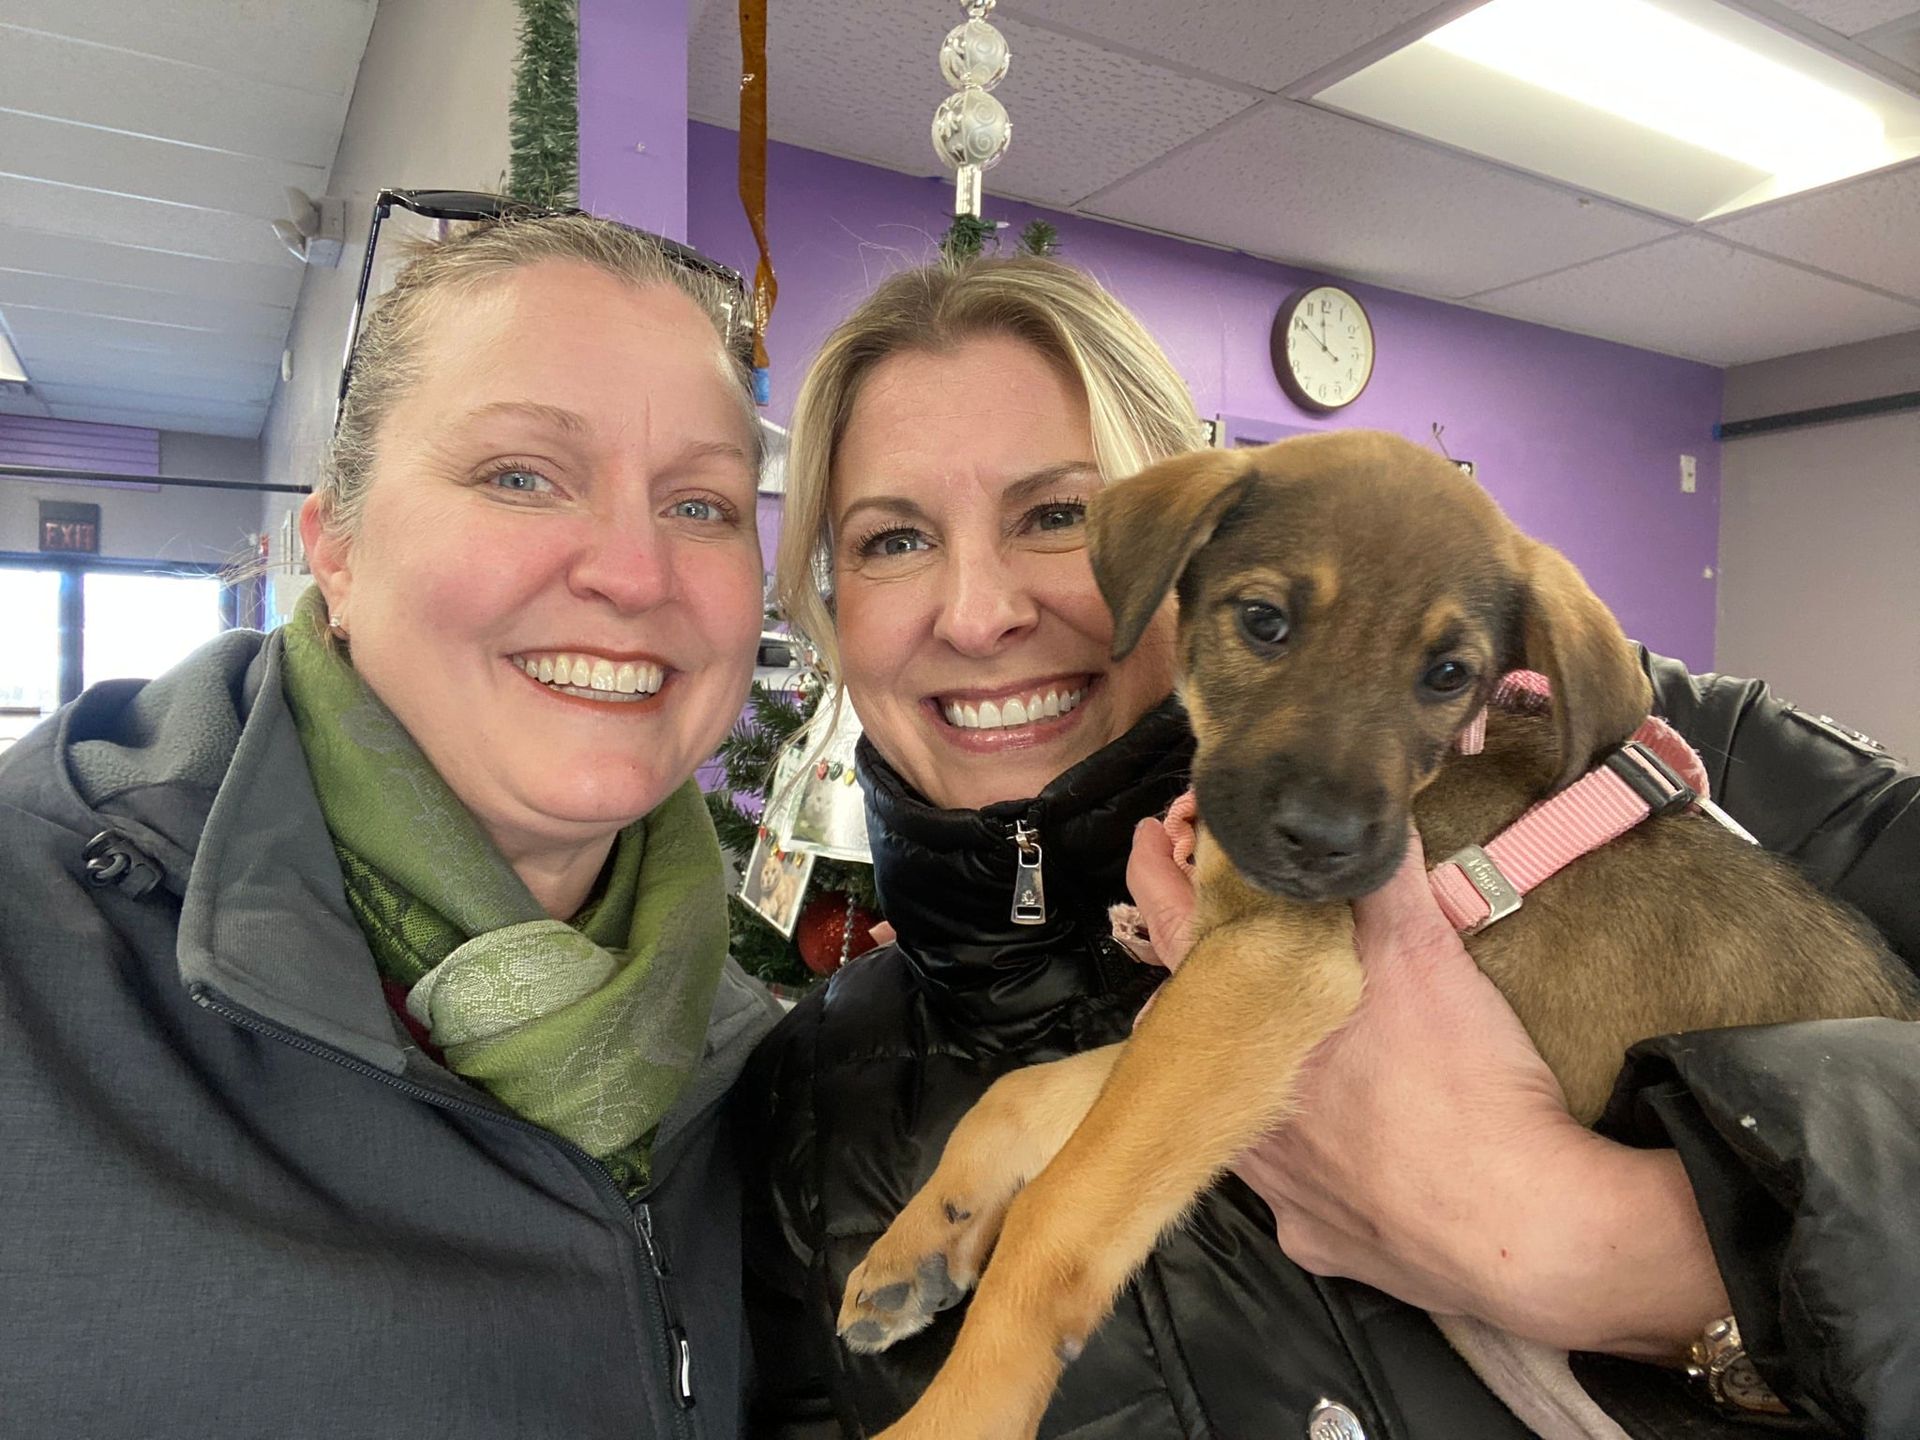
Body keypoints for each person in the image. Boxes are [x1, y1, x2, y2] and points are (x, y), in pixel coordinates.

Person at [737, 255, 1920, 1439]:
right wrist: (1001, 1135)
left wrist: (1612, 1249)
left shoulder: (1666, 747)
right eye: (894, 538)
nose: (979, 613)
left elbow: (1270, 984)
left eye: (1057, 515)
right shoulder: (811, 1104)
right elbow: (1218, 1042)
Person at [0, 210, 783, 1438]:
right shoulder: (36, 949)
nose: (636, 573)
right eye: (521, 476)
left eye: (702, 504)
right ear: (339, 550)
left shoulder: (755, 1062)